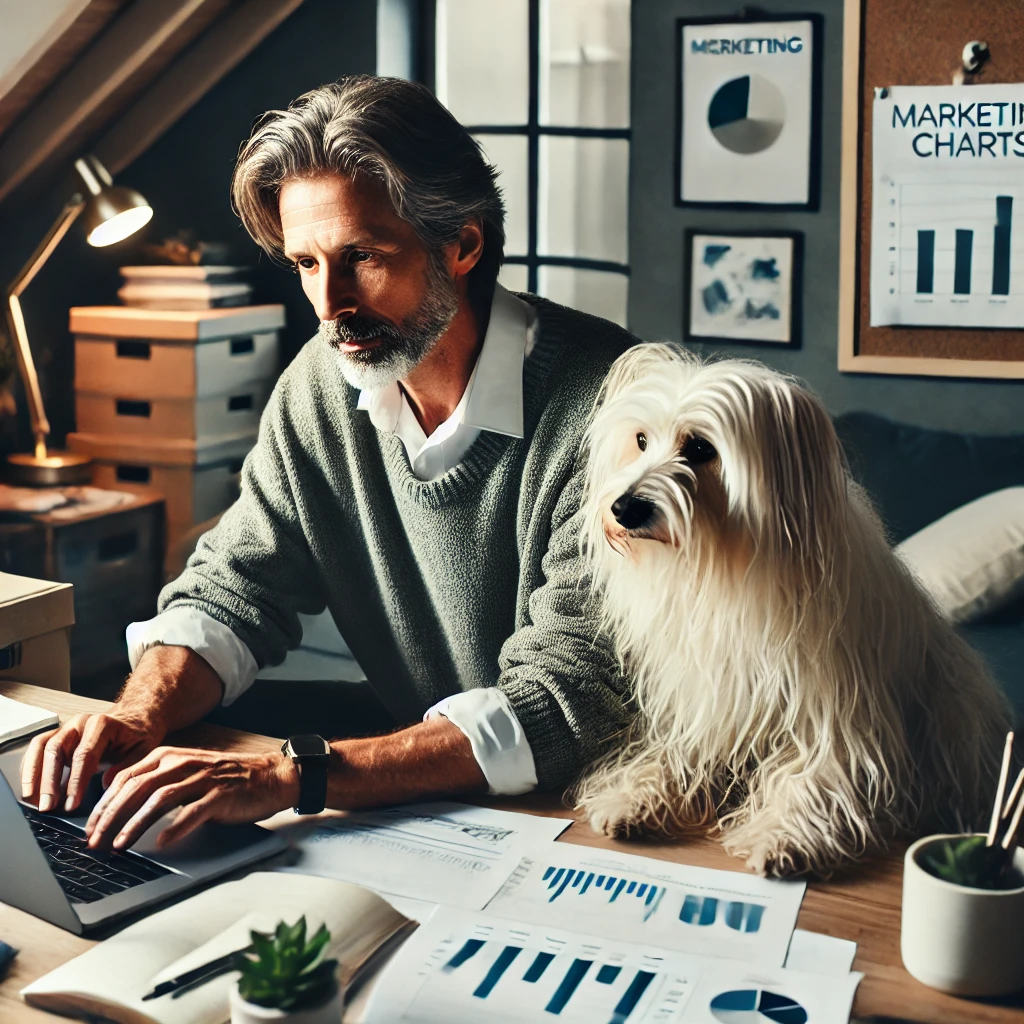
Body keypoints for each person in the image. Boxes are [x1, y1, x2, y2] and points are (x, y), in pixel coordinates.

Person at [21, 76, 636, 851]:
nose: (329, 303)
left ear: (464, 244)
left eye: (361, 257)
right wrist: (136, 714)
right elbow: (235, 586)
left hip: (611, 807)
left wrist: (295, 774)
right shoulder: (323, 381)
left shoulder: (619, 404)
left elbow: (568, 699)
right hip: (439, 793)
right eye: (305, 263)